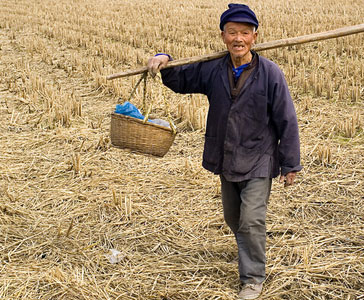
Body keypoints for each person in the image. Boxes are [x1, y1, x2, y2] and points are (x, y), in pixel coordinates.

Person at [147, 4, 302, 299]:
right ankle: (247, 248)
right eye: (232, 32)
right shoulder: (214, 69)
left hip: (259, 156)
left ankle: (253, 278)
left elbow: (286, 118)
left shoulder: (270, 73)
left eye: (245, 33)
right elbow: (182, 79)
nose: (238, 39)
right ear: (223, 36)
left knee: (252, 219)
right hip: (227, 155)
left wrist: (290, 163)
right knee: (234, 218)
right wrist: (165, 61)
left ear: (254, 37)